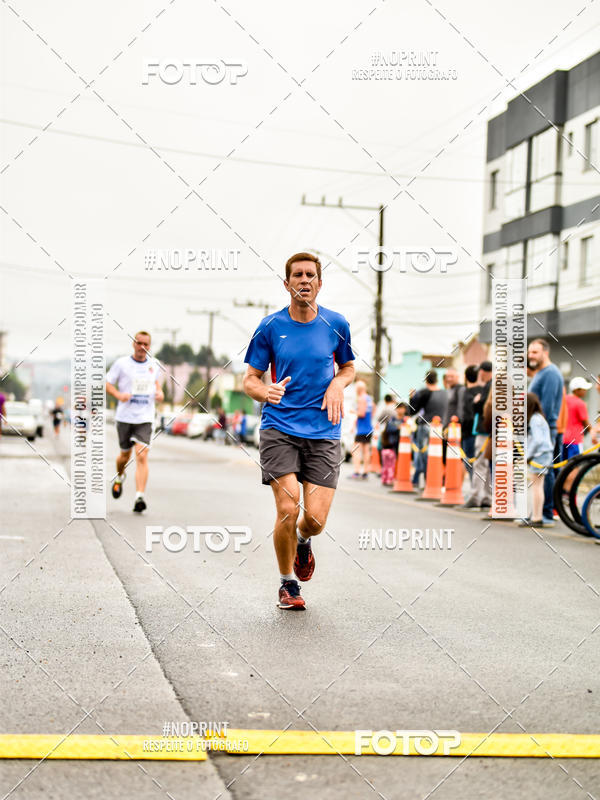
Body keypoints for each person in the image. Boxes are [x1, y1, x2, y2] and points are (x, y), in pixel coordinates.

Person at [242, 252, 355, 610]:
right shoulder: (270, 327)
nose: (304, 280)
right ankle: (287, 584)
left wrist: (338, 383)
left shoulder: (337, 323)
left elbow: (349, 367)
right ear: (287, 283)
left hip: (324, 430)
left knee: (315, 520)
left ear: (319, 283)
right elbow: (250, 380)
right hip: (280, 427)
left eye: (310, 275)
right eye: (297, 275)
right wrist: (266, 391)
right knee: (288, 507)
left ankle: (304, 541)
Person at [106, 330, 164, 513]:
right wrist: (118, 395)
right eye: (139, 343)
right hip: (124, 417)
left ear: (150, 346)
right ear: (134, 344)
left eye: (146, 344)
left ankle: (140, 496)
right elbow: (107, 383)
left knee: (142, 455)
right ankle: (120, 475)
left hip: (145, 418)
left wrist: (160, 394)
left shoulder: (155, 365)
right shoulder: (121, 364)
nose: (142, 347)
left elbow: (158, 388)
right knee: (124, 455)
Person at [528, 339, 564, 526]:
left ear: (545, 353)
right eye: (530, 352)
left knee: (544, 472)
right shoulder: (540, 373)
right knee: (540, 472)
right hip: (539, 429)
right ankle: (538, 512)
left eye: (535, 352)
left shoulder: (550, 374)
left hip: (544, 429)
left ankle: (546, 514)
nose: (531, 356)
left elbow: (547, 407)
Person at [408, 370, 448, 489]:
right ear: (437, 379)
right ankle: (437, 480)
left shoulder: (423, 392)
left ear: (426, 380)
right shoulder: (445, 393)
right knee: (438, 455)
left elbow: (412, 411)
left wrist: (411, 398)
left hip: (426, 426)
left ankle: (426, 479)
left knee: (424, 454)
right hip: (441, 427)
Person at [519, 393, 553, 527]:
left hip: (540, 455)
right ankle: (536, 515)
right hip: (544, 454)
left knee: (537, 487)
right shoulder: (539, 418)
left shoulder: (534, 419)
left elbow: (538, 440)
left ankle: (537, 517)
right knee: (538, 486)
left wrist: (527, 456)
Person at [463, 361, 493, 509]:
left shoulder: (490, 386)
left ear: (484, 372)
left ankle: (475, 497)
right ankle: (487, 497)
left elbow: (483, 406)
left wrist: (477, 402)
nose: (479, 374)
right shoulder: (492, 385)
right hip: (489, 430)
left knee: (480, 463)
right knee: (485, 465)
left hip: (484, 430)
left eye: (480, 371)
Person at [563, 377, 591, 460]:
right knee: (575, 464)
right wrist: (592, 432)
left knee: (564, 465)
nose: (585, 391)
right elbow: (586, 423)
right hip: (575, 440)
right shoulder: (580, 403)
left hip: (562, 439)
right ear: (577, 390)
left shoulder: (563, 400)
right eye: (584, 389)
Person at [350, 380, 374, 479]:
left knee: (355, 450)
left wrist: (353, 411)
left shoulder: (361, 399)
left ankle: (356, 471)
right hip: (368, 428)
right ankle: (365, 472)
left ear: (358, 389)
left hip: (362, 430)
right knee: (366, 450)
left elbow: (362, 413)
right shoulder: (369, 398)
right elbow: (373, 410)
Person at [380, 402, 407, 486]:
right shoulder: (392, 419)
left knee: (400, 462)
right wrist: (398, 427)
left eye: (402, 408)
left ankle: (398, 477)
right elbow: (389, 429)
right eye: (399, 408)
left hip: (404, 445)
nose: (401, 410)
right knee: (390, 464)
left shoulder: (406, 420)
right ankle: (388, 479)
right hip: (392, 444)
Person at [461, 365, 480, 479]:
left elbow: (468, 416)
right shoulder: (483, 391)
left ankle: (475, 491)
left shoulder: (467, 393)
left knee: (470, 463)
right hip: (480, 432)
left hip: (469, 433)